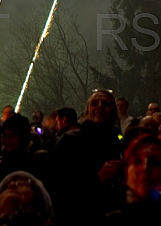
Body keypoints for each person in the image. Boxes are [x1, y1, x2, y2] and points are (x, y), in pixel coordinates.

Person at [47, 89, 124, 226]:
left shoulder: (117, 140)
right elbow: (57, 187)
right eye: (95, 103)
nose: (99, 106)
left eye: (105, 104)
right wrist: (97, 179)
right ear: (87, 110)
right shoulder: (71, 141)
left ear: (113, 111)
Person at [106, 133, 161, 226]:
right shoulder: (107, 210)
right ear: (126, 170)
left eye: (155, 162)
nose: (145, 167)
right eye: (137, 161)